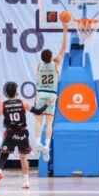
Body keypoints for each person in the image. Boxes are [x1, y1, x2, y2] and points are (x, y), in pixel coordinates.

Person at [0, 81, 52, 191]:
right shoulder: (22, 103)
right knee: (23, 158)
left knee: (3, 156)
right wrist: (47, 103)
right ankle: (26, 181)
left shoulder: (3, 104)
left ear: (6, 93)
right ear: (16, 92)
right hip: (22, 134)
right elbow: (38, 112)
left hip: (10, 134)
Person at [33, 23, 68, 162]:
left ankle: (37, 144)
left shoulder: (39, 65)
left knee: (38, 121)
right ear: (52, 56)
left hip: (40, 94)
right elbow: (64, 48)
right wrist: (64, 29)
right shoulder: (56, 63)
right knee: (49, 123)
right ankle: (47, 145)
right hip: (52, 95)